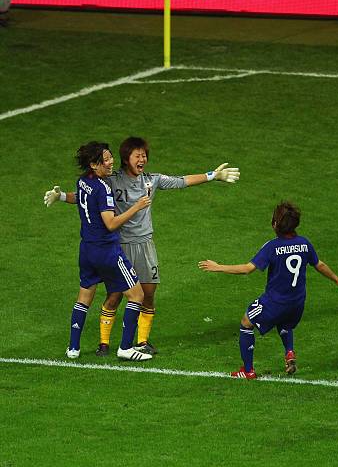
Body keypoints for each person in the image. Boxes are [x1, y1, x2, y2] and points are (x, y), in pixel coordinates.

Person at [45, 136, 240, 356]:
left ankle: (141, 341)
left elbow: (182, 180)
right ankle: (106, 344)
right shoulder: (111, 179)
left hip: (144, 245)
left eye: (144, 155)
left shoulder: (151, 180)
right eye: (137, 155)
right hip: (119, 245)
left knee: (147, 293)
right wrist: (62, 197)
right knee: (116, 296)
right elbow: (87, 199)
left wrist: (213, 175)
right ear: (126, 159)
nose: (142, 159)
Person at [198, 201, 338, 378]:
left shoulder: (272, 246)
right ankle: (289, 353)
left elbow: (248, 269)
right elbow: (319, 264)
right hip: (298, 302)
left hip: (276, 302)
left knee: (246, 322)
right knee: (285, 322)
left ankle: (248, 371)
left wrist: (218, 267)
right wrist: (337, 279)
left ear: (276, 224)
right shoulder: (304, 243)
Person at [67, 141, 153, 361]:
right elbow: (111, 223)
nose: (111, 161)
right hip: (106, 251)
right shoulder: (103, 188)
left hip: (86, 250)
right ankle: (125, 348)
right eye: (106, 160)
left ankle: (73, 348)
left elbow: (79, 199)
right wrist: (137, 206)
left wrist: (59, 197)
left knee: (84, 296)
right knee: (137, 295)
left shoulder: (82, 182)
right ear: (94, 165)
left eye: (110, 157)